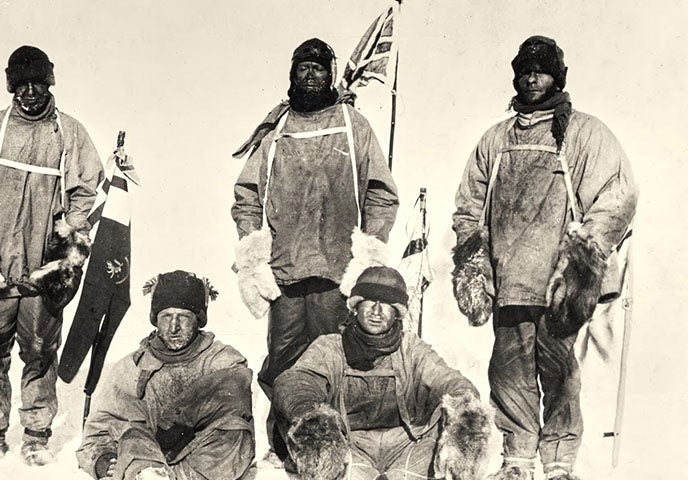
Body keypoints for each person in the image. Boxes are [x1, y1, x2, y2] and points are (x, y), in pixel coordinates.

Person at [451, 36, 637, 480]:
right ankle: (517, 460)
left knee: (559, 375)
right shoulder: (496, 139)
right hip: (508, 278)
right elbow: (469, 205)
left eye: (542, 71)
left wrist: (584, 255)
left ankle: (558, 463)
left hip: (559, 283)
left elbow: (618, 195)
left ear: (558, 77)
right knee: (508, 373)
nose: (532, 79)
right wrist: (474, 257)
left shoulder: (584, 133)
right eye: (525, 71)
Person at [231, 37, 399, 465]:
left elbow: (380, 192)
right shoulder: (277, 129)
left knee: (336, 359)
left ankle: (337, 446)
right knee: (284, 361)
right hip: (285, 270)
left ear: (330, 75)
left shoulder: (352, 124)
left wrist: (370, 250)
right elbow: (247, 194)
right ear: (292, 74)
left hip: (336, 271)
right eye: (302, 68)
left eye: (318, 68)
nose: (310, 75)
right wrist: (252, 250)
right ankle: (284, 447)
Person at [0, 45, 104, 466]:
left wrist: (66, 248)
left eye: (38, 83)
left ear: (49, 83)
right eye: (22, 85)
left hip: (41, 270)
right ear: (12, 87)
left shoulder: (69, 133)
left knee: (39, 351)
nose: (31, 92)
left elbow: (85, 193)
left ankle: (36, 435)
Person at [272, 266, 492, 480]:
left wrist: (464, 407)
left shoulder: (411, 347)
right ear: (356, 307)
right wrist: (309, 414)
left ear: (397, 313)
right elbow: (297, 381)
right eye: (369, 301)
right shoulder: (330, 347)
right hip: (350, 445)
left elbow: (449, 380)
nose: (376, 311)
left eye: (386, 304)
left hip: (407, 445)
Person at [76, 270, 255, 480]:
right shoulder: (132, 367)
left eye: (184, 317)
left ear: (198, 320)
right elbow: (100, 428)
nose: (174, 327)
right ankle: (152, 474)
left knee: (234, 432)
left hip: (203, 459)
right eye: (166, 316)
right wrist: (103, 460)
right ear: (155, 319)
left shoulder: (221, 359)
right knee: (131, 434)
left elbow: (235, 405)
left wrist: (176, 422)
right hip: (148, 458)